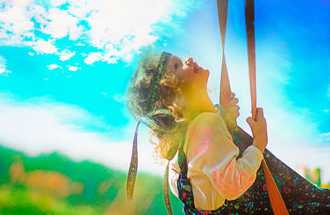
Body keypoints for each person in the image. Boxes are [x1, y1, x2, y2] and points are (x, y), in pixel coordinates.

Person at [126, 51, 330, 214]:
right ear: (173, 94)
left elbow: (203, 161)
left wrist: (222, 114)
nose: (188, 59)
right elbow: (233, 185)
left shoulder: (181, 141)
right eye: (178, 65)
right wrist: (258, 142)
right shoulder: (207, 124)